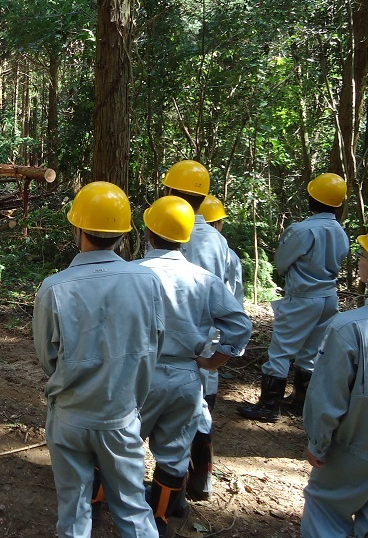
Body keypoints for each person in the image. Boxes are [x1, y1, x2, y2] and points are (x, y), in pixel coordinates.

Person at [32, 182, 164, 538]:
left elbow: (48, 358)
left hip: (71, 416)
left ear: (77, 229)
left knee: (73, 512)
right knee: (134, 510)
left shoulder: (54, 287)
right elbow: (155, 344)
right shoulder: (148, 281)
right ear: (123, 233)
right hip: (121, 416)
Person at [135, 196, 252, 535]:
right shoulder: (204, 279)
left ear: (148, 233)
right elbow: (240, 324)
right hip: (187, 376)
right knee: (173, 453)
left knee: (124, 444)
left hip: (142, 374)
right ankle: (159, 520)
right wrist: (217, 359)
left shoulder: (134, 274)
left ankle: (101, 510)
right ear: (185, 237)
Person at [238, 173, 349, 423]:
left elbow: (281, 263)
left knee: (280, 351)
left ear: (312, 199)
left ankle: (269, 406)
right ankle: (300, 403)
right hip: (328, 298)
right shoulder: (340, 232)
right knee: (310, 351)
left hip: (303, 297)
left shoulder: (303, 230)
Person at [300, 222, 368, 538]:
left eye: (364, 257)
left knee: (324, 507)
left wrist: (317, 444)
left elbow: (328, 398)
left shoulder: (350, 328)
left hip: (357, 449)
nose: (359, 262)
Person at [161, 161, 234, 501]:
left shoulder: (172, 232)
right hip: (205, 341)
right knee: (197, 411)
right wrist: (219, 354)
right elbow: (232, 297)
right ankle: (197, 481)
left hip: (166, 347)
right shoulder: (218, 242)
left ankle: (167, 495)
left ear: (170, 191)